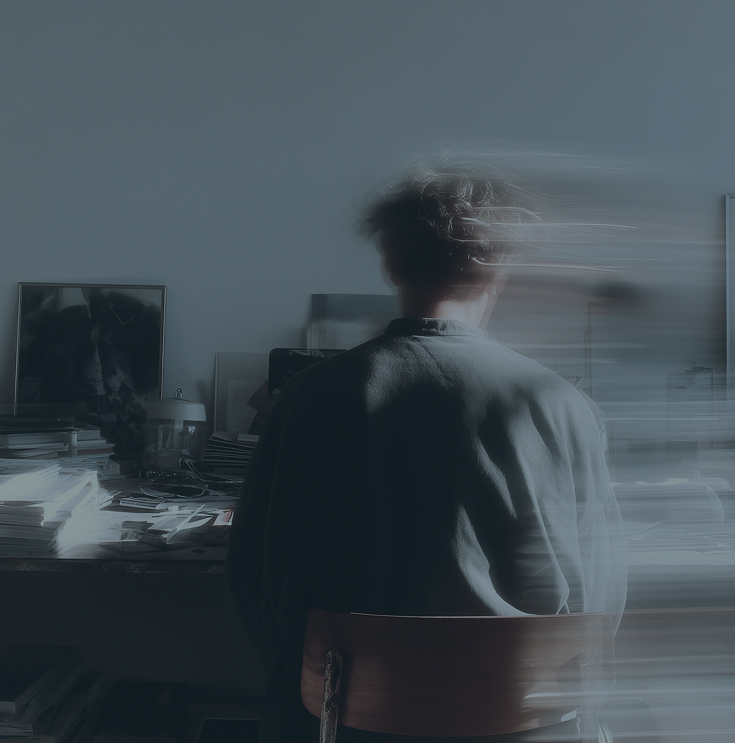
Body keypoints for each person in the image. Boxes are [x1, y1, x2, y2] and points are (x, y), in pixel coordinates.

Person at [227, 163, 627, 742]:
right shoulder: (563, 404)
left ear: (389, 258)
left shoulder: (308, 397)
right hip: (527, 729)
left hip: (340, 727)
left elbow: (252, 579)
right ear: (500, 267)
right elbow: (601, 602)